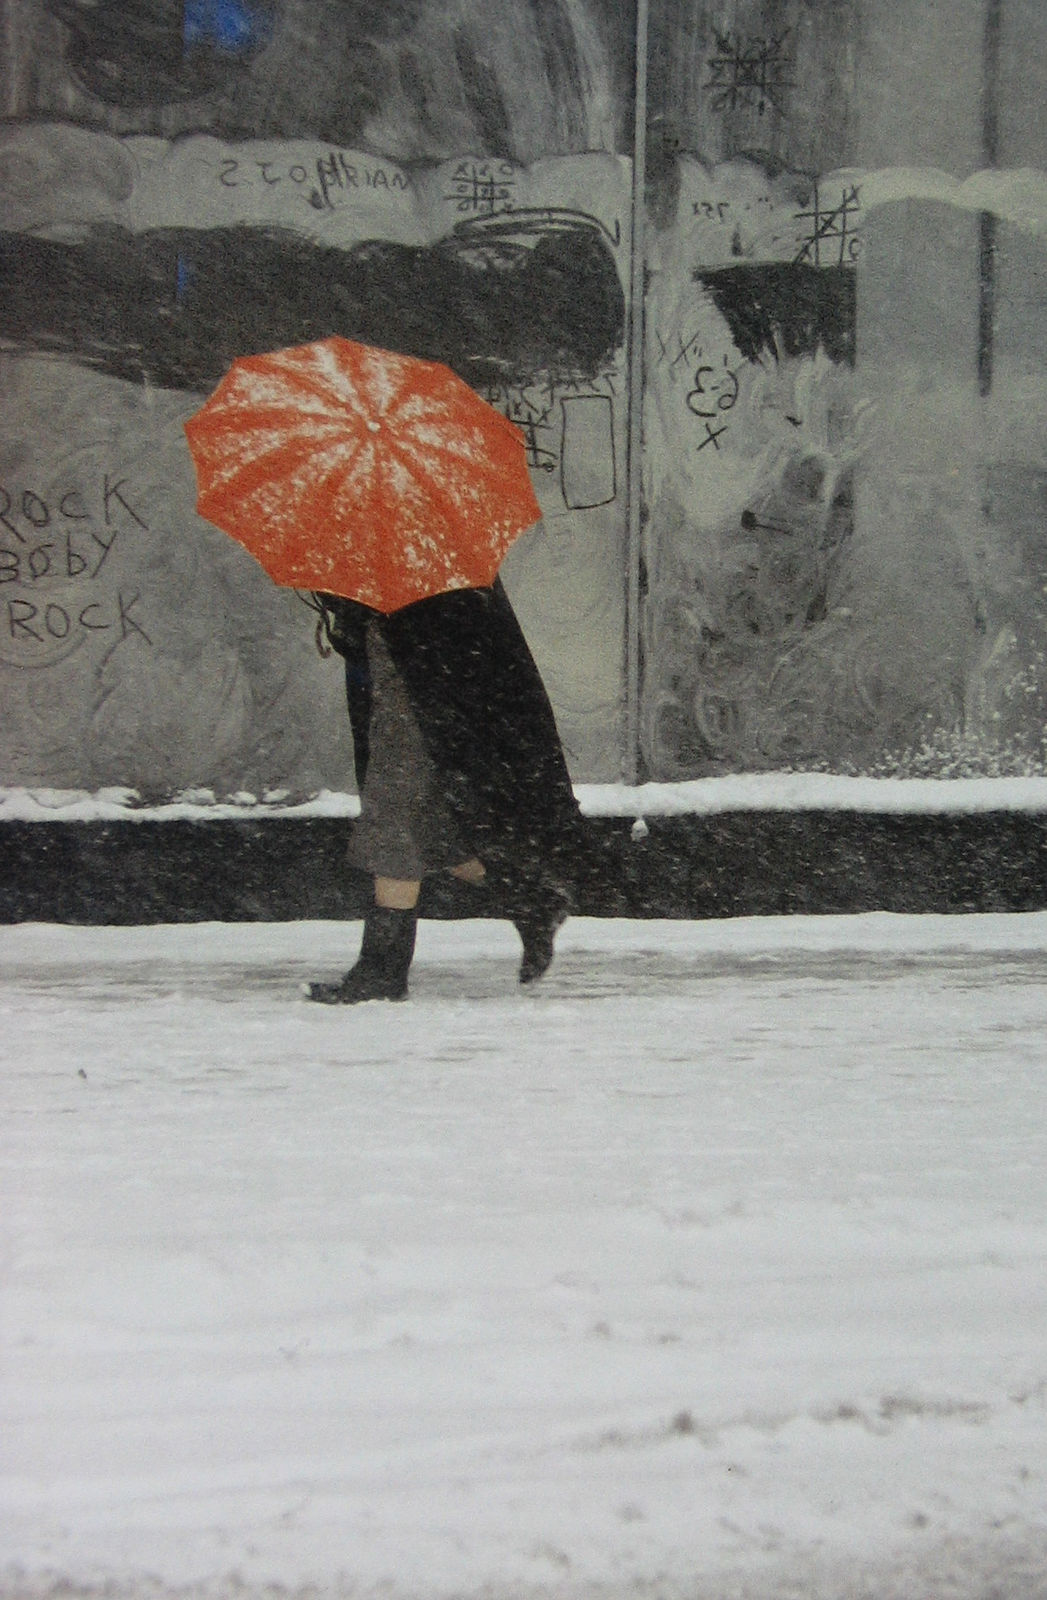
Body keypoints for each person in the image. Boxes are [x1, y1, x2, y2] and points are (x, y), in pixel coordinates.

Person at [304, 579, 587, 1003]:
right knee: (437, 833)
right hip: (409, 695)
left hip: (417, 699)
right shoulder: (417, 553)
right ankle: (531, 897)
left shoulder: (425, 561)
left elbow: (437, 636)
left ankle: (382, 969)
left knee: (395, 826)